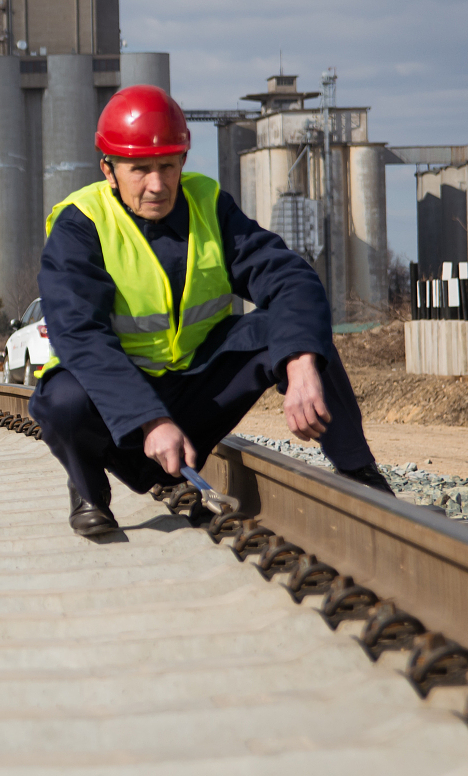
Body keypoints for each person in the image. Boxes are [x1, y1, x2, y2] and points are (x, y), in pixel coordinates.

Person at [28, 85, 392, 540]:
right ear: (109, 169)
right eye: (139, 170)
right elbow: (79, 334)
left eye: (167, 166)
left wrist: (300, 364)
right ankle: (88, 491)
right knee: (62, 399)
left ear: (183, 160)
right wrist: (150, 419)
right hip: (117, 405)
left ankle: (360, 474)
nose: (157, 185)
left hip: (195, 388)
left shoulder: (209, 205)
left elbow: (290, 279)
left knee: (298, 330)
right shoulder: (81, 225)